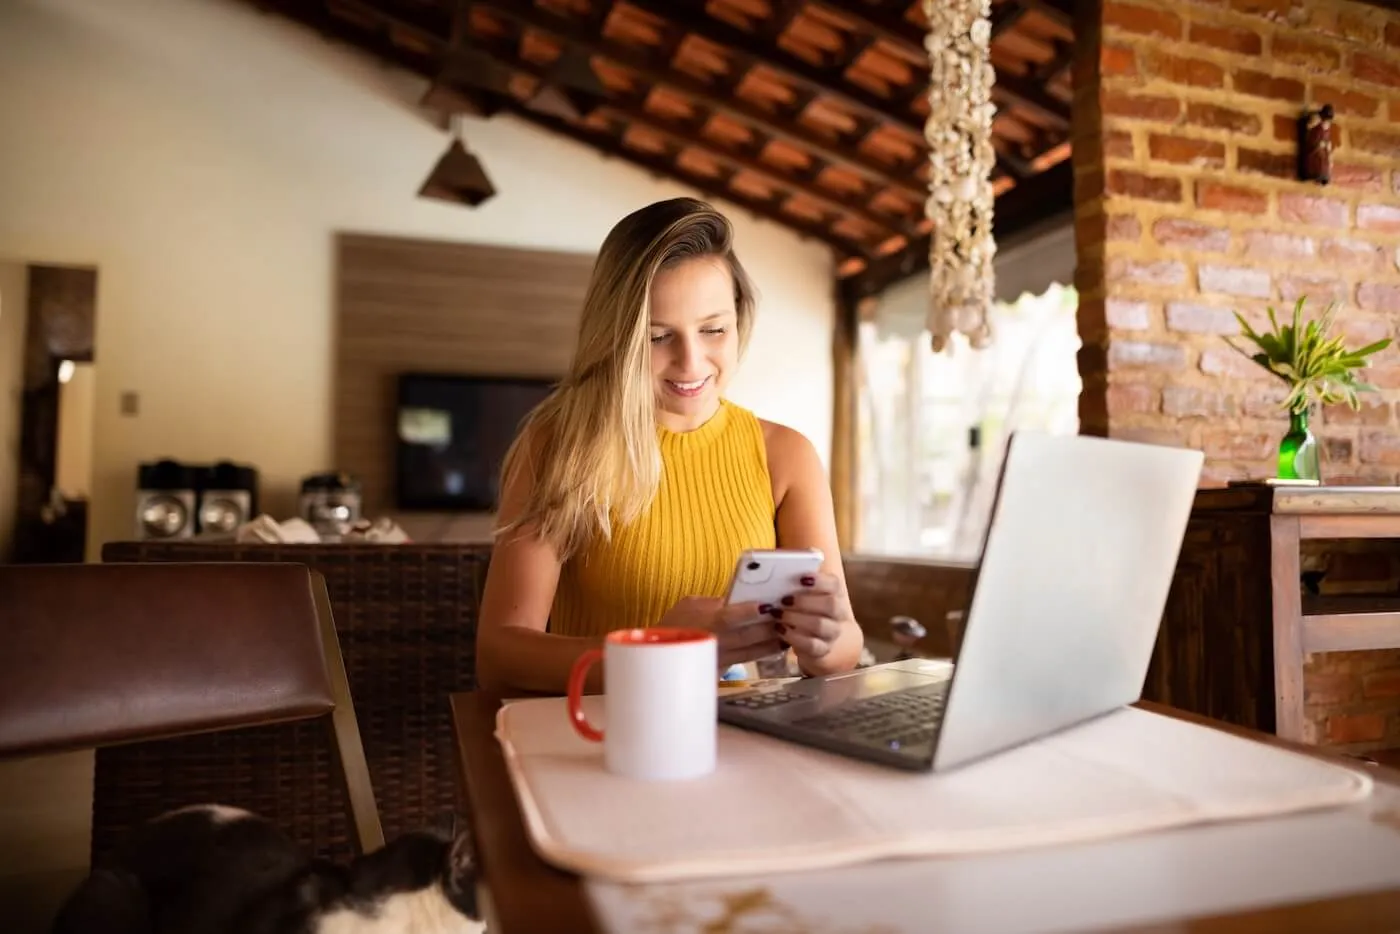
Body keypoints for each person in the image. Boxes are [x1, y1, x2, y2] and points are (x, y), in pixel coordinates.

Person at [475, 197, 864, 695]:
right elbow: (500, 657)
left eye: (714, 330)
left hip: (739, 740)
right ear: (616, 337)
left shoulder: (786, 455)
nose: (691, 362)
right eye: (658, 337)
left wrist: (826, 642)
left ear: (739, 319)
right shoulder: (560, 445)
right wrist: (663, 650)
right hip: (598, 738)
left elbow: (844, 644)